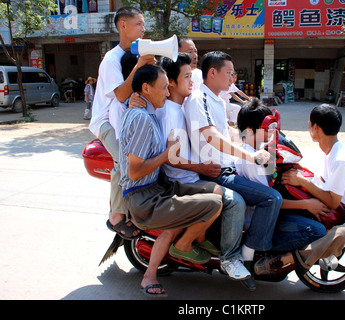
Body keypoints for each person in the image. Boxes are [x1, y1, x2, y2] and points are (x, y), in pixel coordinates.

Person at [119, 64, 223, 297]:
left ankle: (197, 239)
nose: (167, 93)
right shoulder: (142, 119)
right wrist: (167, 155)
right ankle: (169, 259)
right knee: (213, 204)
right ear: (146, 88)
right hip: (142, 197)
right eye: (163, 88)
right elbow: (134, 172)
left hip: (157, 187)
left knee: (216, 191)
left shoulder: (149, 112)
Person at [184, 51, 283, 291]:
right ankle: (236, 257)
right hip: (217, 172)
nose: (232, 78)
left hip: (228, 167)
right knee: (271, 197)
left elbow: (231, 129)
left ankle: (245, 251)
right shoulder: (200, 99)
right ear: (212, 73)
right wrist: (250, 155)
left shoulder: (218, 100)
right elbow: (212, 136)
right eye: (229, 73)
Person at [257, 104, 345, 274]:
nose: (308, 128)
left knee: (339, 234)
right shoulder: (334, 152)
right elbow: (325, 183)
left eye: (309, 124)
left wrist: (303, 182)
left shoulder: (341, 159)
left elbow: (333, 202)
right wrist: (302, 175)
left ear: (316, 127)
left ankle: (283, 260)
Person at [155, 53, 250, 281]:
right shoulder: (171, 113)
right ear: (171, 82)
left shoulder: (183, 105)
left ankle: (200, 236)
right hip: (182, 181)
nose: (192, 81)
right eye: (187, 77)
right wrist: (200, 168)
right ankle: (189, 244)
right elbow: (171, 158)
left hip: (192, 176)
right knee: (232, 201)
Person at [233, 99, 328, 274]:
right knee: (317, 230)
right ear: (250, 131)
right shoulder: (252, 160)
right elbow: (270, 201)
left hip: (270, 213)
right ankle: (264, 255)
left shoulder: (262, 152)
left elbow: (274, 178)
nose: (271, 133)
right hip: (259, 222)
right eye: (267, 129)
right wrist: (306, 204)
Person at [89, 7, 155, 240]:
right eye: (138, 24)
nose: (143, 29)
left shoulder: (135, 55)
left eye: (143, 24)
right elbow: (119, 94)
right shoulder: (111, 58)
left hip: (123, 121)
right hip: (106, 121)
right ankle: (115, 215)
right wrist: (140, 65)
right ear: (123, 26)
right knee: (123, 161)